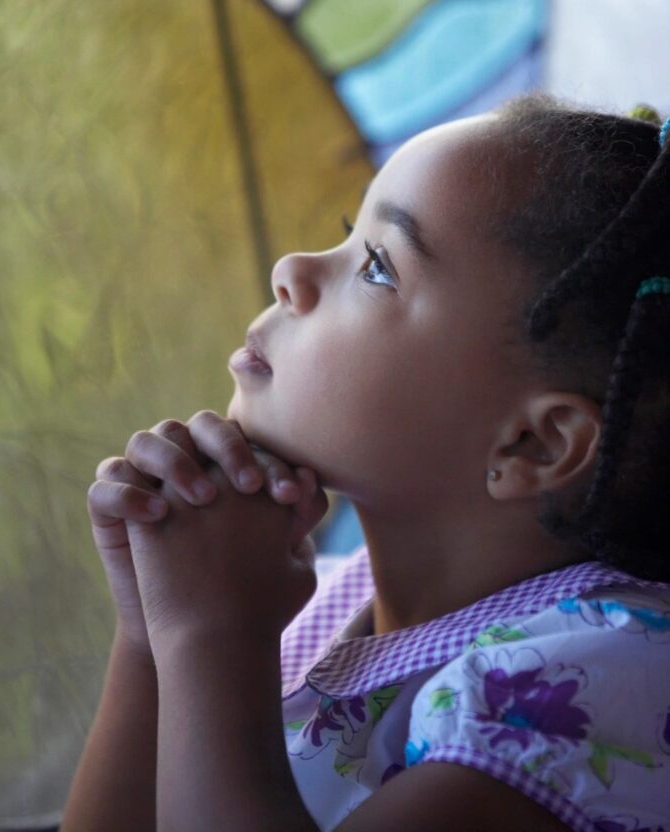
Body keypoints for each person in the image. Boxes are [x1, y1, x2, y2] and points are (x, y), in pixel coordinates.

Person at [62, 95, 670, 832]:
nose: (291, 270)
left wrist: (210, 638)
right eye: (349, 236)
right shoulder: (322, 596)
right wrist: (150, 634)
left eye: (378, 267)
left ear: (532, 446)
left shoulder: (594, 683)